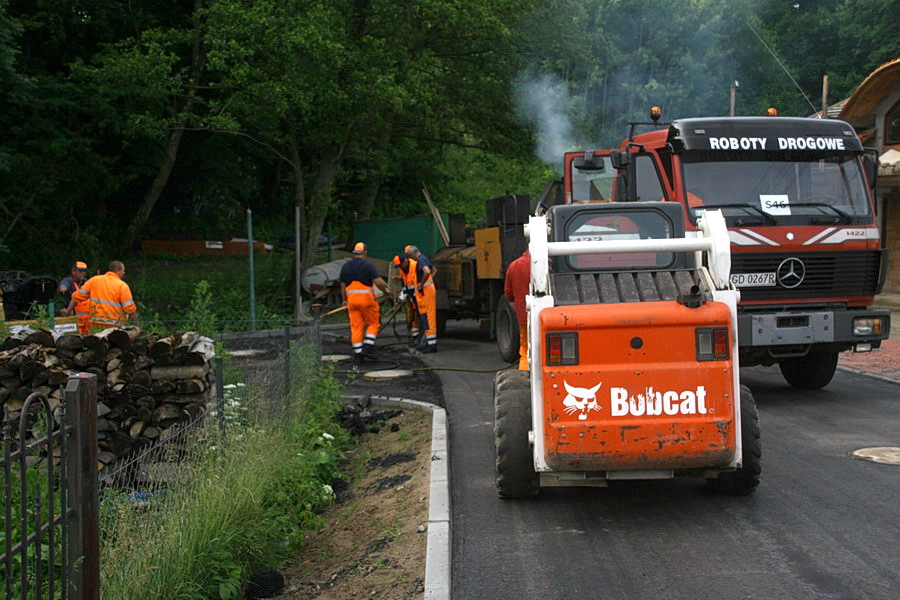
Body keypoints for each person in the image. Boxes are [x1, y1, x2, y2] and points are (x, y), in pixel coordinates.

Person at [340, 242, 390, 364]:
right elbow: (378, 282)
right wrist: (385, 291)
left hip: (352, 302)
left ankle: (358, 356)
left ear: (354, 253)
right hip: (367, 301)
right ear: (365, 252)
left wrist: (344, 299)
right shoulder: (368, 266)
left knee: (356, 327)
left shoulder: (345, 266)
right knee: (374, 322)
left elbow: (342, 285)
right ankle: (368, 346)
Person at [67, 260, 139, 331]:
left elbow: (76, 297)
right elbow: (130, 309)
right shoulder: (122, 286)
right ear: (118, 270)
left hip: (95, 326)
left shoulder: (94, 280)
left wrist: (67, 313)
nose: (124, 273)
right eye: (123, 270)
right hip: (114, 328)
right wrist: (137, 327)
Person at [405, 245, 437, 353]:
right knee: (425, 318)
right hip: (425, 293)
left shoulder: (421, 260)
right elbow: (434, 270)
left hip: (426, 293)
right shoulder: (424, 258)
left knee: (428, 319)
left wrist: (422, 284)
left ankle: (432, 345)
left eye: (410, 257)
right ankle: (429, 342)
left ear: (413, 254)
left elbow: (427, 271)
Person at [504, 250, 531, 370]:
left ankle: (525, 381)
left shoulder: (514, 265)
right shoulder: (550, 263)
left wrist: (520, 311)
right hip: (549, 318)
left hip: (524, 318)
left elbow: (509, 295)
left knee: (525, 351)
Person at [58, 260, 91, 333]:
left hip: (85, 316)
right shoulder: (68, 281)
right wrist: (63, 288)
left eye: (85, 271)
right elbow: (63, 286)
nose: (83, 273)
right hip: (70, 311)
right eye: (80, 271)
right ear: (73, 271)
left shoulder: (86, 282)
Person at [394, 254, 419, 344]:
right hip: (410, 295)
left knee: (417, 316)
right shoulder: (402, 269)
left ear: (405, 261)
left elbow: (416, 282)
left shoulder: (415, 265)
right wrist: (402, 296)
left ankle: (418, 336)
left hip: (418, 295)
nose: (399, 267)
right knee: (411, 317)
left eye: (400, 265)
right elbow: (406, 283)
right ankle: (414, 335)